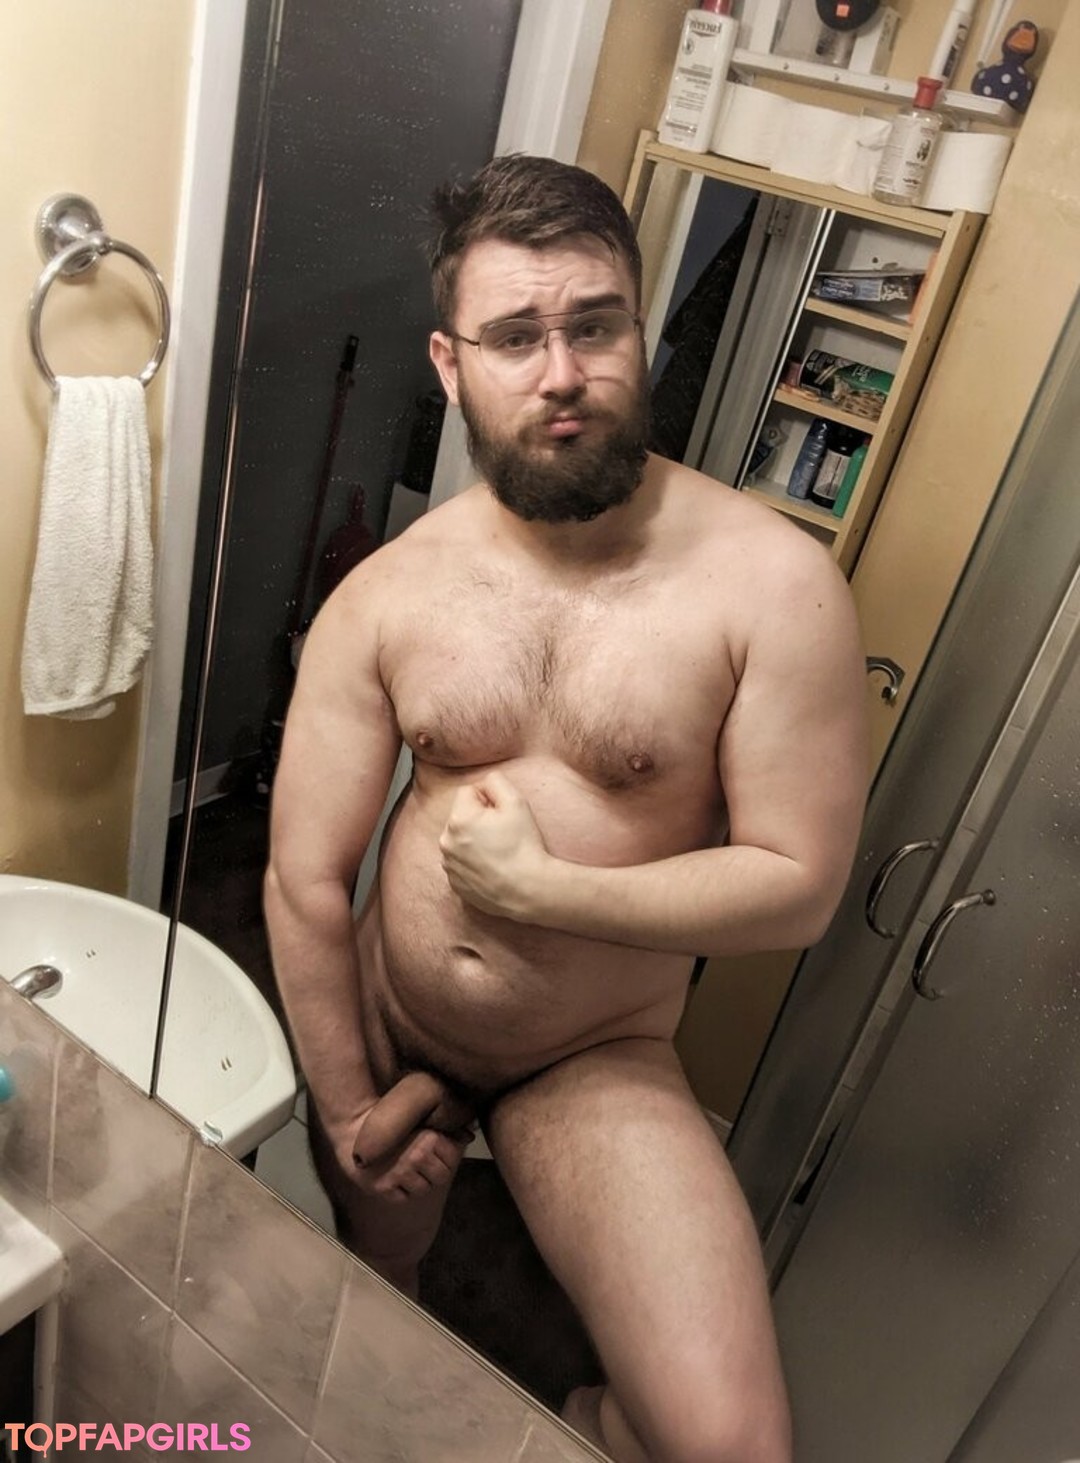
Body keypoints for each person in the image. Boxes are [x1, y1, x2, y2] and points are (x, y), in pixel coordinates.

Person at [264, 153, 868, 1463]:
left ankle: (587, 1419)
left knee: (728, 1448)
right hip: (392, 1014)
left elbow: (799, 884)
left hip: (591, 1054)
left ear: (642, 332)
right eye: (514, 336)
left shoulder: (774, 588)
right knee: (375, 1284)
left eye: (596, 325)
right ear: (449, 363)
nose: (562, 373)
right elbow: (304, 877)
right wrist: (349, 1106)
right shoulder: (391, 591)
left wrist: (546, 893)